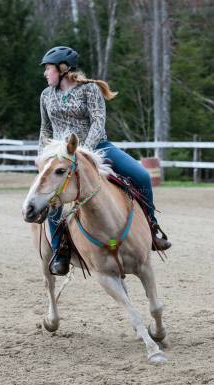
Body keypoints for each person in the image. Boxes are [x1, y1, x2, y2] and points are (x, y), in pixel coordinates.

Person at [38, 46, 171, 276]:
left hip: (97, 148)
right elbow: (45, 129)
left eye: (48, 69)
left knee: (141, 175)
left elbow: (98, 123)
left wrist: (84, 152)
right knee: (51, 197)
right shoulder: (46, 95)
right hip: (60, 156)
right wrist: (41, 156)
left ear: (62, 69)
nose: (45, 74)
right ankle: (60, 251)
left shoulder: (89, 90)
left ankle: (152, 228)